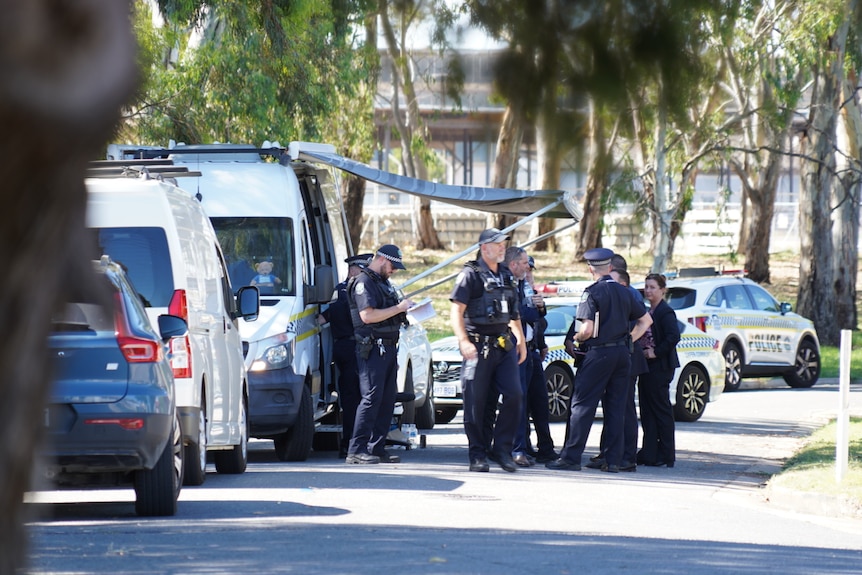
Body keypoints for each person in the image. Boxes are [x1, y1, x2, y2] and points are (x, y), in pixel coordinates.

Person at [548, 247, 652, 473]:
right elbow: (646, 321)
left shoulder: (592, 292)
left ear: (590, 269)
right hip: (622, 355)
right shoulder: (626, 292)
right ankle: (613, 460)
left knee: (582, 405)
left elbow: (587, 328)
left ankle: (571, 457)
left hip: (599, 354)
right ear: (610, 268)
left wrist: (577, 337)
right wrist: (628, 340)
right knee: (615, 407)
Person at [450, 228, 527, 473]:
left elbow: (513, 313)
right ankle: (478, 454)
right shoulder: (469, 275)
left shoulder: (506, 275)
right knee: (476, 403)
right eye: (498, 245)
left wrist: (521, 341)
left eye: (504, 244)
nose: (503, 248)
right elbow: (456, 311)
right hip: (477, 346)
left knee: (514, 395)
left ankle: (501, 449)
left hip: (503, 346)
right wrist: (463, 340)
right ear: (485, 248)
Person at [346, 245, 414, 464]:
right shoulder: (364, 282)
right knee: (371, 398)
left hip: (388, 346)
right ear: (383, 259)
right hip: (373, 347)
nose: (394, 271)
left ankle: (376, 448)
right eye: (393, 266)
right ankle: (356, 449)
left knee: (387, 399)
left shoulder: (381, 282)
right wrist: (399, 308)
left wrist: (403, 309)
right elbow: (367, 315)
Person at [586, 261, 649, 472]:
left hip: (626, 356)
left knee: (625, 409)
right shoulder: (621, 294)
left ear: (621, 282)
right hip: (621, 354)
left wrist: (628, 340)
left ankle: (627, 456)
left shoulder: (627, 296)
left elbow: (644, 322)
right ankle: (610, 453)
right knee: (615, 407)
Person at [503, 248, 557, 466]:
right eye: (525, 264)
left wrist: (541, 308)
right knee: (519, 401)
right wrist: (536, 311)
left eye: (530, 266)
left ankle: (543, 448)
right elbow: (521, 314)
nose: (528, 270)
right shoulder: (509, 286)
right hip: (516, 350)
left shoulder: (527, 288)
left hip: (532, 349)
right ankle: (518, 448)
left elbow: (538, 320)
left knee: (539, 403)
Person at [319, 253, 374, 458]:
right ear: (353, 270)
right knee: (361, 398)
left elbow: (324, 317)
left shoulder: (338, 291)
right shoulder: (358, 290)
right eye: (363, 269)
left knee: (349, 399)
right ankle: (357, 444)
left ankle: (348, 443)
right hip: (356, 348)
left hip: (342, 348)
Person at [637, 273, 681, 467]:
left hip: (660, 367)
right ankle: (649, 453)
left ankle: (666, 454)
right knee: (647, 411)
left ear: (663, 290)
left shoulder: (665, 312)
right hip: (646, 367)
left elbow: (673, 337)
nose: (648, 290)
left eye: (653, 287)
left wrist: (656, 352)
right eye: (646, 287)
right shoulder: (648, 311)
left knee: (661, 410)